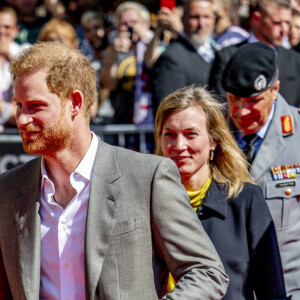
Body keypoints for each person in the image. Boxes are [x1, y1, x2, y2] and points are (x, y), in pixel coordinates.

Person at [0, 42, 229, 299]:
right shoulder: (7, 190)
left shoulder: (146, 178)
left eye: (35, 106)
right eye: (19, 106)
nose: (21, 119)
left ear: (74, 103)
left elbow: (205, 271)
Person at [155, 85, 288, 300]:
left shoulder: (245, 201)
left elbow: (271, 291)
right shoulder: (145, 201)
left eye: (191, 134)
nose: (179, 145)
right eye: (169, 134)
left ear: (213, 140)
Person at [222, 42, 300, 299]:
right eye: (234, 99)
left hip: (289, 286)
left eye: (254, 101)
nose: (242, 111)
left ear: (275, 89)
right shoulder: (214, 137)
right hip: (231, 288)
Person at [209, 0, 300, 107]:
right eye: (277, 23)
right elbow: (220, 107)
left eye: (287, 23)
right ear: (257, 19)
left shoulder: (295, 61)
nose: (284, 30)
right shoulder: (227, 57)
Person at [152, 0, 217, 112]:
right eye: (195, 17)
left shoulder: (216, 51)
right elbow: (168, 110)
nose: (201, 24)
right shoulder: (171, 58)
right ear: (183, 19)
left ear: (214, 19)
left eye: (206, 17)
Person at [101, 1, 154, 125]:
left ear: (146, 24)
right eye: (124, 24)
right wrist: (113, 53)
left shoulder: (156, 48)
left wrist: (145, 41)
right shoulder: (112, 51)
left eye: (134, 22)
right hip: (123, 121)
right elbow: (109, 83)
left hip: (150, 119)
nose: (129, 27)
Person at [0, 6, 30, 129]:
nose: (2, 31)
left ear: (16, 30)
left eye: (7, 27)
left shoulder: (25, 51)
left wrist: (8, 54)